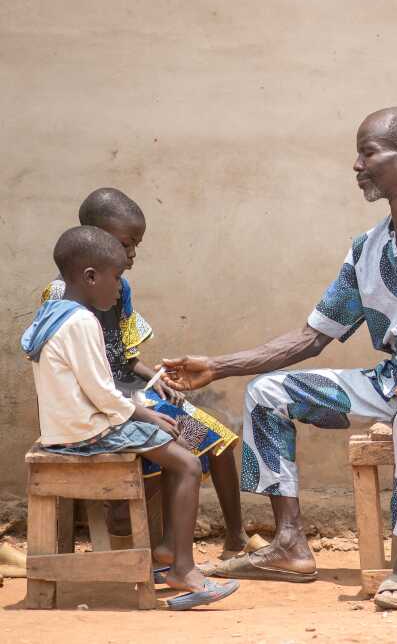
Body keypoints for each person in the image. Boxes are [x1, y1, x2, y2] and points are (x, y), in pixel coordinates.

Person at [161, 106, 397, 611]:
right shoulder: (366, 248)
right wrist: (219, 366)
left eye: (368, 153)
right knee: (268, 393)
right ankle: (288, 545)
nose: (357, 165)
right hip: (393, 379)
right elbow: (312, 336)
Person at [21, 226, 239, 610]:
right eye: (117, 276)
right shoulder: (83, 321)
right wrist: (146, 415)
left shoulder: (53, 312)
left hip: (71, 425)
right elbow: (102, 391)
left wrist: (146, 402)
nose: (120, 286)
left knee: (180, 440)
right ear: (91, 276)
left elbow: (104, 378)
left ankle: (169, 551)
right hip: (89, 430)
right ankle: (182, 568)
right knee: (187, 460)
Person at [41, 188, 264, 561]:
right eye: (125, 244)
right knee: (176, 440)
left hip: (130, 393)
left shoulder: (119, 288)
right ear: (95, 235)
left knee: (219, 441)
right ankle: (149, 540)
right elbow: (76, 372)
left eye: (135, 247)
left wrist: (156, 378)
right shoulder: (62, 295)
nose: (130, 256)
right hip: (106, 405)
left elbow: (127, 358)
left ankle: (234, 538)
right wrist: (138, 401)